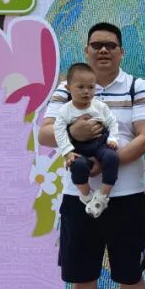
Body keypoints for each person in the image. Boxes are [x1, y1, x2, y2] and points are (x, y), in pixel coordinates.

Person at [38, 22, 145, 289]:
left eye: (110, 45)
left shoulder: (138, 86)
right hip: (78, 200)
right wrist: (72, 132)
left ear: (121, 51)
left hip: (126, 198)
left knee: (131, 274)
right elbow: (44, 132)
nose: (103, 50)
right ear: (86, 50)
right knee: (81, 275)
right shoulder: (66, 89)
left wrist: (108, 163)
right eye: (96, 45)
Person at [45, 63, 120, 218]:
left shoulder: (100, 106)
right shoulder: (65, 111)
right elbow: (59, 131)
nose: (86, 91)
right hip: (78, 148)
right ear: (68, 88)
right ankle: (87, 196)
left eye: (91, 87)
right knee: (77, 165)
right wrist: (67, 152)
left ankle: (102, 196)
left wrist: (113, 138)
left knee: (112, 157)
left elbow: (112, 122)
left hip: (100, 143)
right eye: (80, 87)